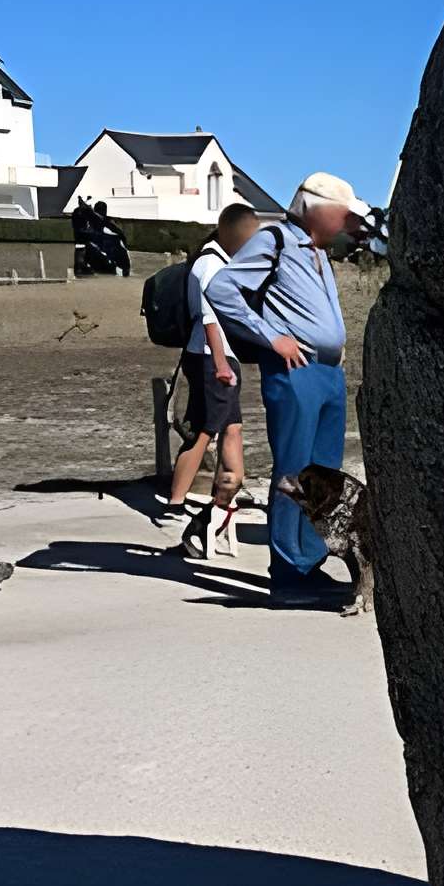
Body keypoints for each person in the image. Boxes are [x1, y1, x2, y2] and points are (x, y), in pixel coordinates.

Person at [205, 172, 369, 607]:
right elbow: (221, 288)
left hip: (327, 372)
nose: (347, 222)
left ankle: (308, 565)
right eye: (343, 214)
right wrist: (271, 336)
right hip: (294, 371)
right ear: (316, 209)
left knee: (324, 473)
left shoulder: (317, 251)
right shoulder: (275, 239)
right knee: (296, 472)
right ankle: (289, 575)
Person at [159, 201, 258, 544]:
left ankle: (227, 495)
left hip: (219, 356)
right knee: (205, 430)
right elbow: (209, 319)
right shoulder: (209, 265)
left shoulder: (218, 261)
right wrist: (220, 364)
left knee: (232, 427)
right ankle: (175, 502)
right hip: (210, 357)